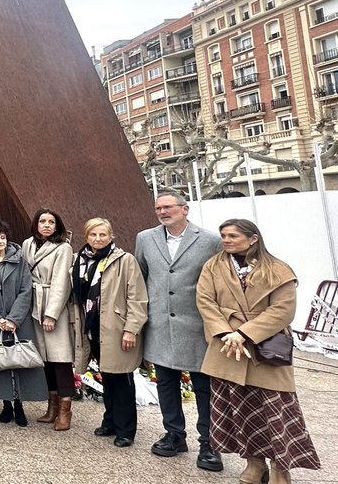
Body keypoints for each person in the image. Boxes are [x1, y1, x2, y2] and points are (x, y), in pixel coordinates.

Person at [196, 219, 321, 483]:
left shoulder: (277, 269)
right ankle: (255, 465)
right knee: (238, 411)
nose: (226, 240)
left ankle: (280, 467)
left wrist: (244, 333)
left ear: (253, 239)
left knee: (275, 412)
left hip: (265, 351)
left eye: (232, 236)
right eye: (223, 236)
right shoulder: (213, 266)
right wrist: (226, 332)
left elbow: (283, 311)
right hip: (227, 348)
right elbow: (205, 301)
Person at [135, 191, 224, 471]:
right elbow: (141, 276)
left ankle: (210, 444)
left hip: (198, 326)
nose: (162, 212)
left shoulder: (210, 240)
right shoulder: (145, 238)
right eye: (158, 208)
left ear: (185, 209)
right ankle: (174, 434)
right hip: (160, 324)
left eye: (168, 207)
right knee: (166, 385)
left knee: (204, 388)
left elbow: (221, 281)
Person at [72, 217, 148, 448]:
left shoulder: (125, 261)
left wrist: (131, 329)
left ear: (111, 236)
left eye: (102, 235)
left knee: (121, 379)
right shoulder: (80, 261)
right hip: (93, 328)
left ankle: (126, 430)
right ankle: (111, 420)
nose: (98, 239)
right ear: (86, 237)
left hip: (117, 328)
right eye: (93, 235)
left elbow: (137, 297)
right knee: (107, 377)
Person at [0, 220, 46, 427]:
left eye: (3, 237)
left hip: (18, 320)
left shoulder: (19, 261)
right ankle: (6, 404)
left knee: (19, 361)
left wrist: (13, 318)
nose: (0, 241)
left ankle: (19, 404)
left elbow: (25, 290)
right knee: (0, 362)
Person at [21, 208, 77, 431]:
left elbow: (62, 283)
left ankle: (65, 410)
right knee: (45, 359)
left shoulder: (63, 248)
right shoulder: (27, 244)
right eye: (42, 221)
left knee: (60, 359)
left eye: (51, 222)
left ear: (57, 226)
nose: (46, 225)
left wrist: (52, 314)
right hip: (33, 304)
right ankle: (52, 406)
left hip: (53, 307)